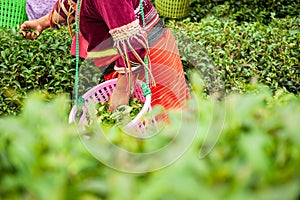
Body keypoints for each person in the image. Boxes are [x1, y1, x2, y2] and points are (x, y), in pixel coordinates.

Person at [19, 0, 189, 112]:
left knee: (164, 123)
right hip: (123, 58)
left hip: (148, 59)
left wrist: (123, 90)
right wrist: (42, 23)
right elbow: (72, 2)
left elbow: (133, 41)